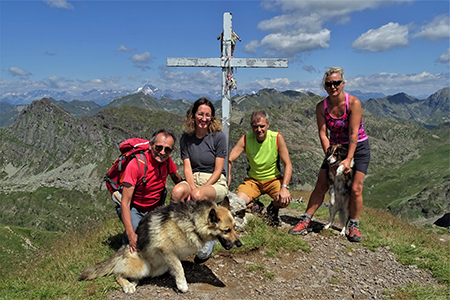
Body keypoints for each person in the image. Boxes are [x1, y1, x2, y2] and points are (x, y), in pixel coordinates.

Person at [288, 66, 370, 243]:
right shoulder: (321, 107)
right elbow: (323, 134)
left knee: (355, 188)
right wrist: (330, 159)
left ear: (343, 83)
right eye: (329, 84)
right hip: (334, 150)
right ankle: (305, 220)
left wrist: (348, 159)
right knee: (321, 184)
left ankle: (353, 224)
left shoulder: (353, 103)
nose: (333, 86)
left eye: (336, 83)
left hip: (358, 148)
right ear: (324, 86)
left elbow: (353, 134)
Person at [170, 97, 228, 262]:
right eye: (200, 114)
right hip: (193, 179)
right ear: (193, 115)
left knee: (198, 197)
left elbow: (218, 170)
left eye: (208, 115)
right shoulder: (186, 138)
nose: (204, 118)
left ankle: (209, 239)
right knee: (176, 192)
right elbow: (187, 167)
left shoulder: (218, 137)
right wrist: (191, 186)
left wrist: (197, 191)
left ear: (212, 118)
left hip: (215, 181)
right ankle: (176, 233)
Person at [116, 128, 183, 253]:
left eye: (167, 149)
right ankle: (127, 240)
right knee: (141, 236)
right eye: (159, 147)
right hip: (134, 208)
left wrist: (190, 192)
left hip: (153, 208)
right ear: (151, 145)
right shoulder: (137, 164)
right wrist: (131, 234)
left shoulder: (167, 162)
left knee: (160, 238)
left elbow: (178, 179)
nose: (162, 152)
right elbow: (125, 202)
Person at [228, 110, 293, 227]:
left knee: (284, 200)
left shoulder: (277, 138)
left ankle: (273, 209)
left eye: (262, 126)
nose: (259, 130)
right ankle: (255, 205)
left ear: (268, 124)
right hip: (253, 181)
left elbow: (287, 163)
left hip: (273, 180)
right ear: (251, 126)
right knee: (237, 203)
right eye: (255, 127)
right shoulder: (246, 139)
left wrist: (284, 187)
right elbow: (229, 159)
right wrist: (228, 176)